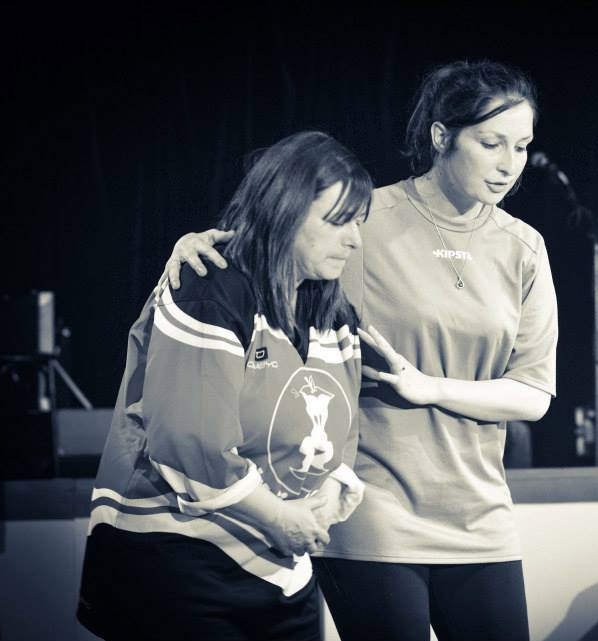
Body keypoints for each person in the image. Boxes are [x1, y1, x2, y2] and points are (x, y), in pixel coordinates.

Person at [165, 60, 558, 641]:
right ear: (441, 136)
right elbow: (263, 254)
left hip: (481, 512)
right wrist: (199, 244)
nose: (509, 164)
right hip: (371, 505)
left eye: (521, 147)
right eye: (491, 143)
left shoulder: (524, 246)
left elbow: (533, 394)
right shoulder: (365, 217)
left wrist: (429, 387)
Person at [77, 131, 372, 641]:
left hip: (283, 570)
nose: (355, 240)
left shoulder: (330, 309)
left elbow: (341, 432)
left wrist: (325, 497)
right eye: (337, 221)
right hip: (179, 562)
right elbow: (190, 443)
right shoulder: (210, 285)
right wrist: (279, 517)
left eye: (358, 223)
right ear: (282, 212)